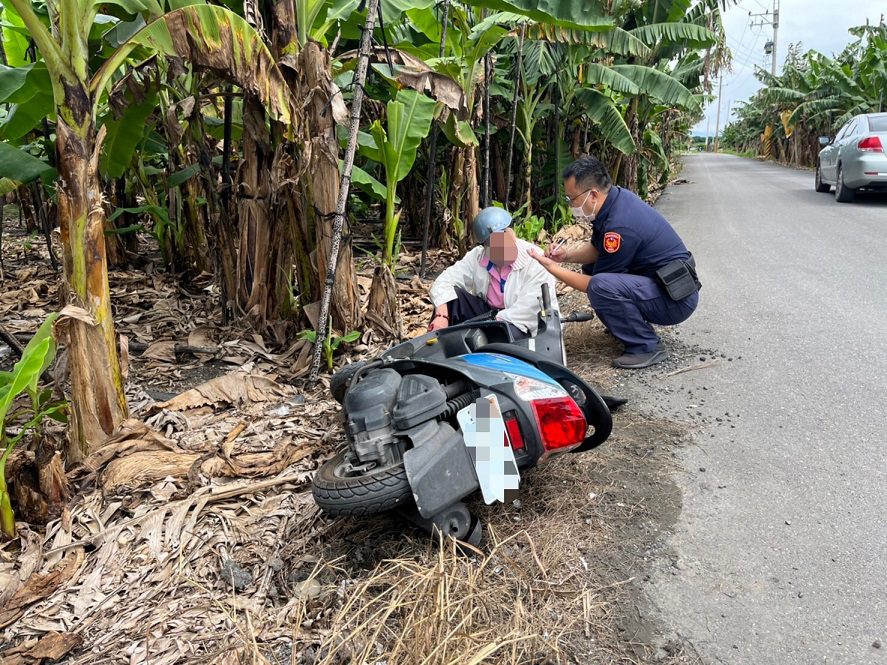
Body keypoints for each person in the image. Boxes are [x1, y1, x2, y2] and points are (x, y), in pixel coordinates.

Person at [529, 156, 700, 369]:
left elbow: (594, 285)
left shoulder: (619, 227)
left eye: (571, 199)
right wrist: (565, 256)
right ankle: (626, 323)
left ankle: (646, 346)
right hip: (662, 284)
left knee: (601, 287)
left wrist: (552, 268)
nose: (571, 204)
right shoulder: (616, 201)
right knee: (592, 270)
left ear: (592, 195)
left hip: (675, 300)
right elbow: (597, 250)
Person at [428, 207, 558, 339]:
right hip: (489, 315)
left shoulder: (536, 259)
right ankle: (432, 349)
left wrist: (487, 323)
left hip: (522, 325)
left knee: (500, 337)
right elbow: (445, 281)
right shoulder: (477, 257)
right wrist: (442, 315)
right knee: (452, 299)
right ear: (484, 246)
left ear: (513, 232)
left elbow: (528, 310)